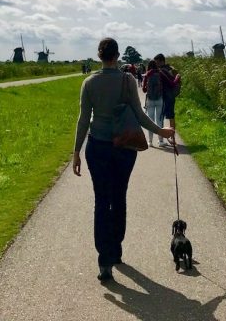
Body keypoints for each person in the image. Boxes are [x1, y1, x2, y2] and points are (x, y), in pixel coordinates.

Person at [72, 38, 175, 283]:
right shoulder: (127, 80)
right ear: (117, 56)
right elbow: (139, 115)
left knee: (101, 201)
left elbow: (83, 119)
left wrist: (76, 151)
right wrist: (161, 132)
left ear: (99, 56)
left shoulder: (89, 83)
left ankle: (104, 260)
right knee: (119, 198)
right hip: (123, 148)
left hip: (97, 146)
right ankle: (116, 250)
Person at [153, 54, 181, 147]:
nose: (156, 64)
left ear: (161, 61)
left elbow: (172, 83)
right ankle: (172, 138)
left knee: (168, 116)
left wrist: (177, 78)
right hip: (171, 96)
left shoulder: (163, 70)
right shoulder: (170, 68)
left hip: (167, 96)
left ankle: (172, 139)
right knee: (170, 117)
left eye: (157, 62)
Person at [141, 60, 163, 147]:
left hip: (150, 100)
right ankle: (160, 141)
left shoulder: (147, 74)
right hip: (159, 99)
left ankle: (150, 142)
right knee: (159, 120)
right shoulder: (160, 74)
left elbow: (144, 90)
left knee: (150, 121)